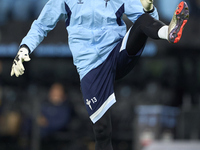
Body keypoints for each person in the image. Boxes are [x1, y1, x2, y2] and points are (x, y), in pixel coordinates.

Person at [10, 0, 189, 149]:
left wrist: (149, 8)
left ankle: (169, 32)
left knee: (142, 21)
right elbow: (41, 25)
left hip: (116, 53)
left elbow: (148, 21)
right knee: (102, 131)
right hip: (90, 66)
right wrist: (24, 47)